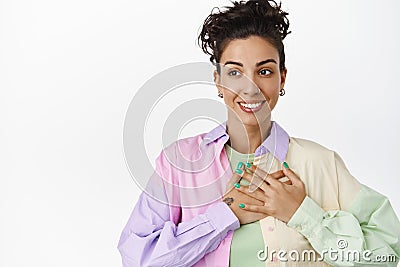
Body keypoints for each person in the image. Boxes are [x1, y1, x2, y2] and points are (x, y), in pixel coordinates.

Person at [117, 0, 400, 266]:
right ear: (217, 80)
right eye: (234, 72)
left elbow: (388, 252)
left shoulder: (321, 163)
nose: (250, 88)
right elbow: (137, 258)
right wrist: (225, 215)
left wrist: (303, 213)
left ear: (282, 78)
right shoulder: (179, 163)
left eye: (264, 71)